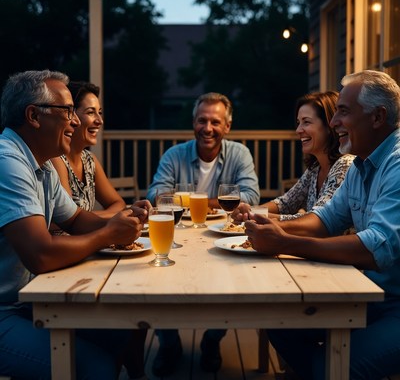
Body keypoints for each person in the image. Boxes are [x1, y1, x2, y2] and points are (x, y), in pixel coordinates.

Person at [237, 70, 400, 380]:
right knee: (280, 322)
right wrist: (266, 226)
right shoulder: (362, 163)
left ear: (378, 117)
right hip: (369, 293)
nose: (334, 121)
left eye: (343, 111)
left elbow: (376, 246)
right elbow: (324, 220)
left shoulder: (397, 162)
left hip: (394, 304)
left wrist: (285, 242)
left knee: (327, 366)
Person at [0, 70, 149, 380]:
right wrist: (109, 233)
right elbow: (40, 254)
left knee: (122, 332)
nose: (77, 121)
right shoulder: (8, 161)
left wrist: (125, 220)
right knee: (97, 368)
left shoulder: (40, 161)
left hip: (31, 299)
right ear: (34, 116)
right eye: (67, 110)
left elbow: (79, 219)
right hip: (6, 311)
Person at [146, 92, 260, 376]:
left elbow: (251, 195)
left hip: (220, 233)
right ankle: (169, 343)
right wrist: (209, 200)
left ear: (227, 126)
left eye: (215, 122)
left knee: (232, 280)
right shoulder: (175, 154)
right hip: (180, 230)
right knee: (158, 277)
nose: (207, 128)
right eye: (202, 120)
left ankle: (212, 339)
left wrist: (196, 200)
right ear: (193, 122)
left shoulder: (240, 153)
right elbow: (156, 193)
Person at [237, 91, 355, 222]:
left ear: (329, 125)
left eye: (306, 122)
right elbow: (285, 203)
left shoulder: (345, 164)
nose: (298, 130)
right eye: (298, 122)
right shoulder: (315, 168)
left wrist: (256, 215)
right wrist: (249, 211)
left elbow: (316, 220)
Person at [50, 81, 127, 218]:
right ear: (71, 116)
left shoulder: (89, 160)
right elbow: (67, 219)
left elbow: (118, 203)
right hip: (67, 239)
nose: (100, 120)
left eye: (100, 113)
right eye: (91, 112)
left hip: (88, 236)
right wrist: (104, 218)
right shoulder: (56, 159)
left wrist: (91, 218)